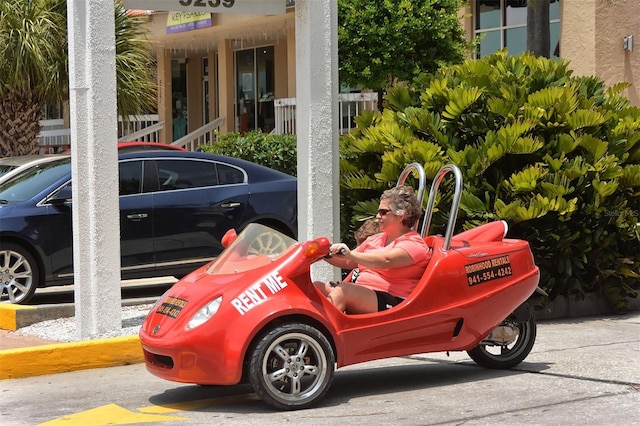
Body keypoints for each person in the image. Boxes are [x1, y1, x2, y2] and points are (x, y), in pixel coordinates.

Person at [315, 185, 431, 314]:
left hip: (395, 301)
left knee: (344, 291)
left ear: (401, 215)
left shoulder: (413, 244)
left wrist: (350, 255)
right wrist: (323, 253)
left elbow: (385, 260)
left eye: (383, 212)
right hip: (365, 294)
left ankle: (319, 332)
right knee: (316, 288)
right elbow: (349, 262)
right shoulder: (375, 239)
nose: (377, 216)